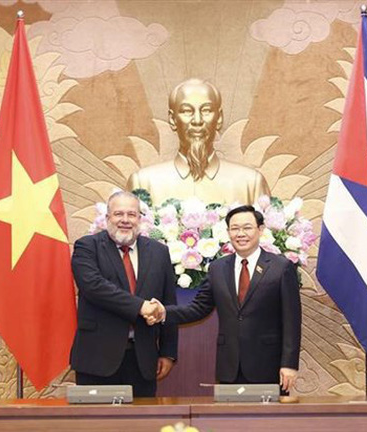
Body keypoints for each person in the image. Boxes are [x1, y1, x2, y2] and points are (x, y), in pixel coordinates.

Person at [147, 205, 301, 392]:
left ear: (260, 230)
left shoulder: (281, 267)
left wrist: (289, 364)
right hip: (230, 366)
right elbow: (198, 308)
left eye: (247, 228)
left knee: (268, 421)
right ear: (228, 232)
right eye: (235, 228)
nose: (240, 234)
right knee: (231, 420)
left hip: (269, 366)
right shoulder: (218, 268)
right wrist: (163, 312)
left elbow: (292, 321)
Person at [70, 191, 177, 397]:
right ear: (107, 218)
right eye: (119, 214)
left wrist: (168, 353)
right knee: (96, 425)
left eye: (132, 214)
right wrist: (140, 306)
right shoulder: (87, 246)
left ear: (140, 218)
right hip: (97, 358)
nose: (125, 220)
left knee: (140, 426)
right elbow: (94, 287)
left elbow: (168, 303)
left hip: (143, 359)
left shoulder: (159, 252)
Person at [127, 78, 270, 205]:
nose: (197, 120)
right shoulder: (143, 183)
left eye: (206, 110)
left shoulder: (251, 184)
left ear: (219, 118)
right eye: (186, 111)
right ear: (172, 119)